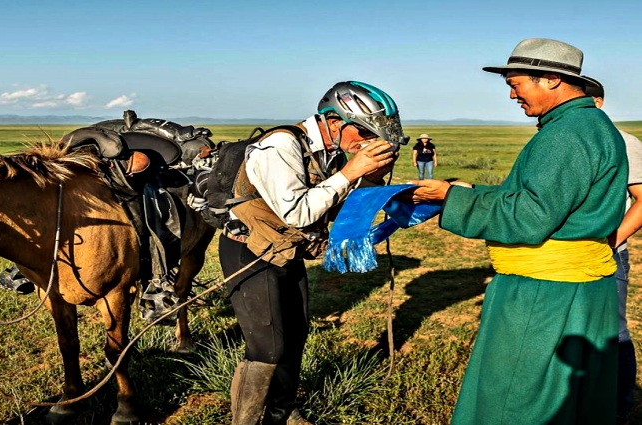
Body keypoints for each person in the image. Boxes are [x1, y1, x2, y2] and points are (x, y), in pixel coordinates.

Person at [411, 38, 628, 424]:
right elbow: (552, 200)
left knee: (516, 396)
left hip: (544, 291)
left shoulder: (566, 134)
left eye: (516, 84)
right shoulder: (590, 125)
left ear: (550, 79)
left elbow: (531, 215)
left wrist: (453, 200)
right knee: (570, 396)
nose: (512, 95)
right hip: (580, 286)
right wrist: (472, 191)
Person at [220, 81, 404, 425]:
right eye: (364, 131)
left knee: (295, 336)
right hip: (249, 251)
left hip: (287, 250)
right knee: (268, 347)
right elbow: (299, 213)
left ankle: (281, 414)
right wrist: (351, 172)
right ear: (334, 120)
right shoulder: (280, 145)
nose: (367, 141)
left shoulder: (329, 151)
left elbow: (329, 208)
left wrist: (371, 180)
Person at [584, 75, 642, 425]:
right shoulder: (558, 140)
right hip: (562, 256)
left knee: (613, 330)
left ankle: (621, 407)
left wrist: (612, 240)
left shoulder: (624, 142)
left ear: (599, 103)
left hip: (607, 252)